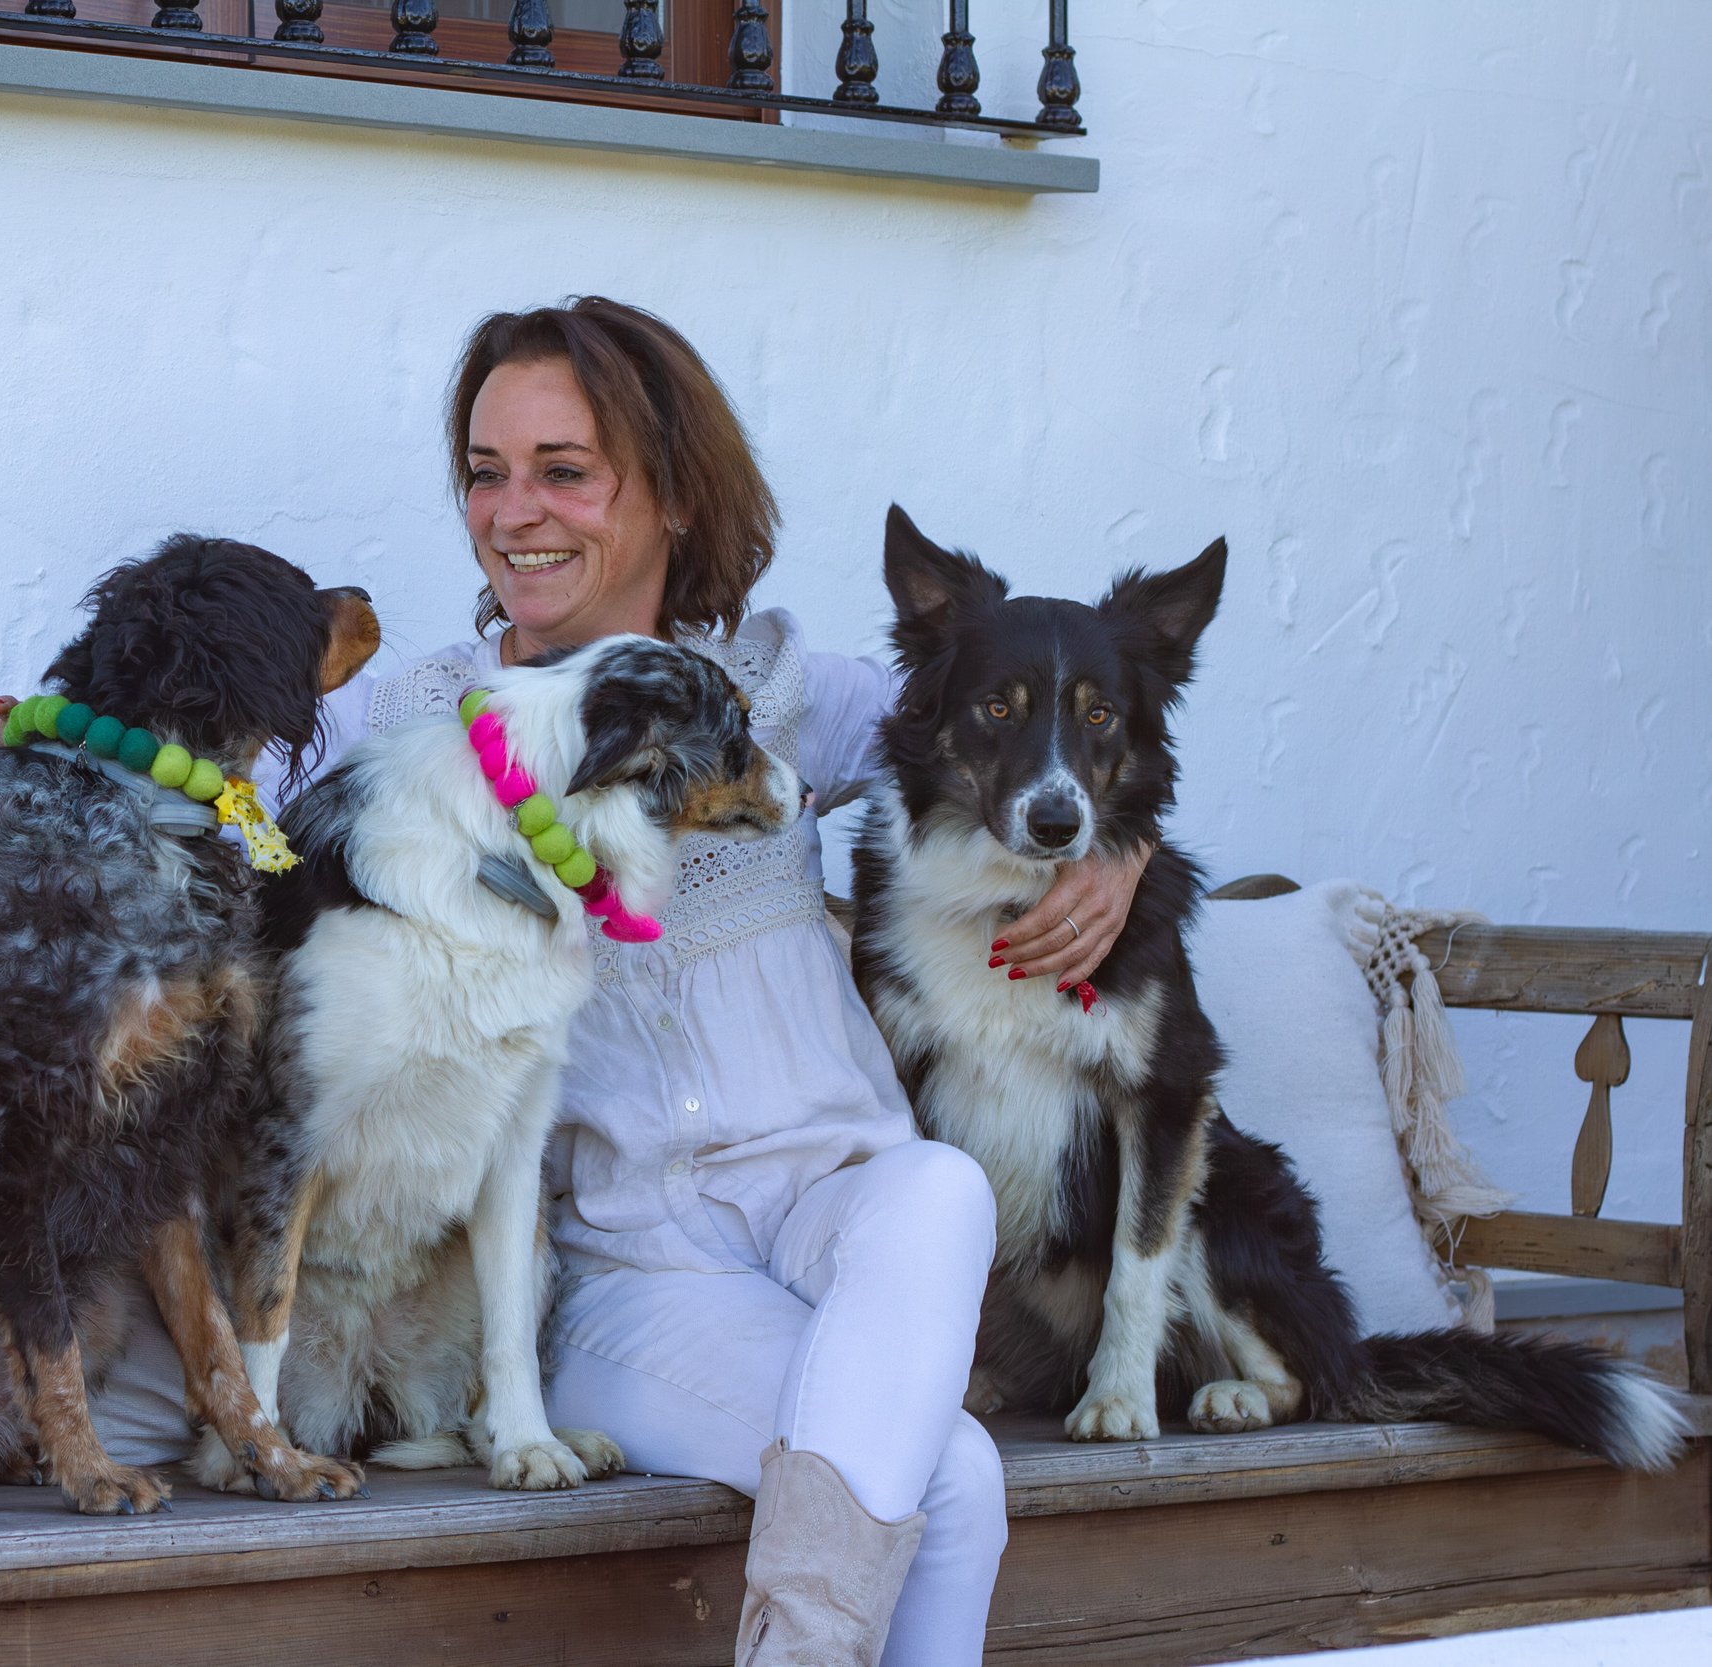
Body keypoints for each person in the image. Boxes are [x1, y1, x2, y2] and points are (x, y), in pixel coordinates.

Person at [94, 297, 1147, 1665]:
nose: (513, 511)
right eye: (486, 472)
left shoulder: (784, 693)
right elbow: (185, 793)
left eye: (564, 470)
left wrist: (1113, 859)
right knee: (949, 1477)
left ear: (672, 494)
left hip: (843, 1213)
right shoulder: (416, 724)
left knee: (936, 1186)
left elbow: (1028, 745)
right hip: (631, 1271)